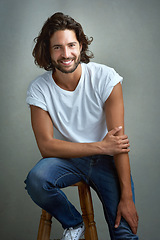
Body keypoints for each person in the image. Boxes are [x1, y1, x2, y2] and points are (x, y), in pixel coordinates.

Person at [25, 12, 139, 240]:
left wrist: (126, 197)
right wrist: (101, 147)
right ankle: (74, 223)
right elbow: (47, 148)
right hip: (68, 159)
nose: (66, 54)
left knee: (125, 232)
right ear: (47, 50)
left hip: (108, 162)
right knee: (37, 180)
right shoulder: (39, 89)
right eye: (57, 47)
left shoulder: (106, 78)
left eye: (71, 45)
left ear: (81, 45)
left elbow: (117, 145)